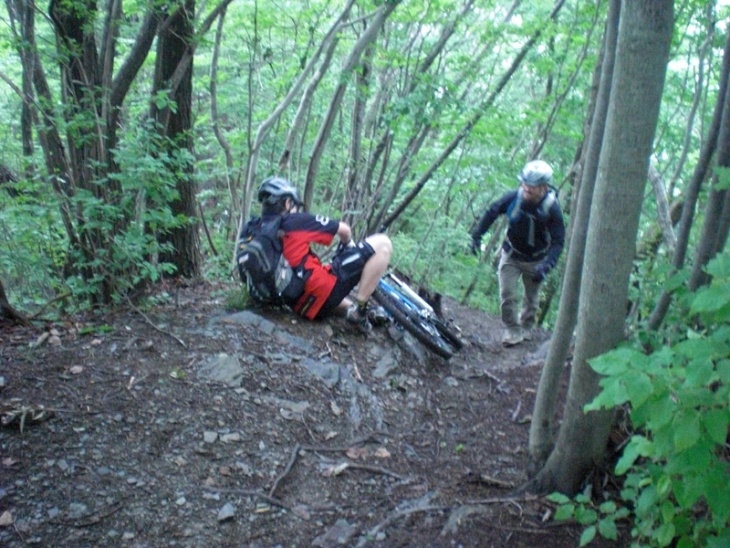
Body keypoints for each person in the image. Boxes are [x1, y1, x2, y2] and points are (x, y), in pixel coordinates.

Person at [256, 176, 392, 333]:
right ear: (287, 203)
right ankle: (360, 311)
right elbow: (344, 230)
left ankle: (352, 310)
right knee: (383, 243)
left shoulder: (258, 230)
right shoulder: (294, 221)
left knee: (323, 278)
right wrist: (349, 245)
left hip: (299, 304)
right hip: (320, 292)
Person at [470, 160, 565, 347]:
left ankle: (527, 326)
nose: (527, 189)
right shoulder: (515, 197)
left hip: (536, 260)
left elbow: (558, 242)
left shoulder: (552, 209)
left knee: (531, 298)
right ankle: (512, 329)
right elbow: (492, 212)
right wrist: (476, 236)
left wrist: (547, 265)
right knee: (507, 293)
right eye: (525, 185)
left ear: (544, 187)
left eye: (533, 187)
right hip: (511, 253)